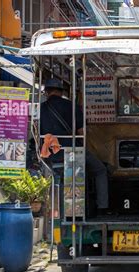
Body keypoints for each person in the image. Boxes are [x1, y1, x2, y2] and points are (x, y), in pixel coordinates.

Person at [39, 78, 109, 215]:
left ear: (46, 92)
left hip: (51, 154)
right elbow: (81, 133)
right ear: (61, 91)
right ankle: (102, 207)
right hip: (73, 152)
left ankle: (56, 214)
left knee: (55, 181)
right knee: (100, 170)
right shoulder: (73, 106)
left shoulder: (41, 109)